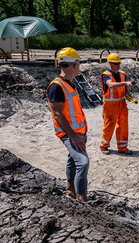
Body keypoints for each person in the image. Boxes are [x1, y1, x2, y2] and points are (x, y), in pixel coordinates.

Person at [47, 47, 89, 201]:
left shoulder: (70, 84)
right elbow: (57, 114)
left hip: (78, 132)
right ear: (74, 65)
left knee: (73, 160)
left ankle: (70, 189)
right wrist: (74, 137)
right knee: (83, 163)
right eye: (78, 63)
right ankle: (81, 198)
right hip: (69, 134)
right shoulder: (56, 86)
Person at [99, 53, 133, 155]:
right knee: (109, 125)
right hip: (110, 105)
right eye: (115, 64)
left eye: (118, 63)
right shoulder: (106, 75)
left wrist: (129, 95)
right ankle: (104, 146)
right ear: (110, 64)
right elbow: (111, 85)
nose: (117, 65)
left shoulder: (122, 74)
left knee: (123, 125)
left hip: (122, 103)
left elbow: (125, 89)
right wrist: (125, 83)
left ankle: (122, 147)